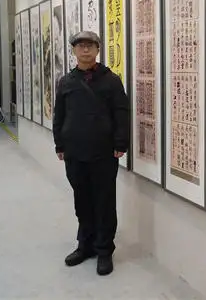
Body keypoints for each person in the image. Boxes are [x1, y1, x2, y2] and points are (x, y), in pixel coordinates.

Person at [53, 30, 130, 276]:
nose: (85, 50)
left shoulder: (111, 81)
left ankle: (104, 250)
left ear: (97, 49)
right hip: (74, 152)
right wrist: (59, 144)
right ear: (74, 50)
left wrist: (121, 143)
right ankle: (85, 245)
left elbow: (121, 113)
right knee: (82, 200)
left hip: (103, 152)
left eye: (90, 45)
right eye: (80, 46)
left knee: (104, 202)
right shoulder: (66, 82)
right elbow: (59, 115)